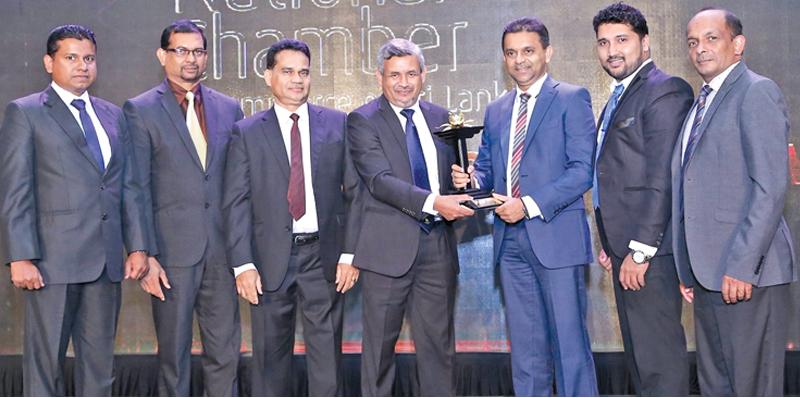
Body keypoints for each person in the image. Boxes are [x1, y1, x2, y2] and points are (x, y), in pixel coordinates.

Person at [0, 24, 150, 396]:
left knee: (100, 368)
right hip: (51, 262)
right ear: (49, 62)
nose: (82, 66)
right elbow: (16, 190)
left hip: (105, 263)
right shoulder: (27, 112)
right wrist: (20, 256)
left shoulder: (114, 115)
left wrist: (137, 246)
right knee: (45, 364)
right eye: (71, 58)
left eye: (88, 58)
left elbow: (126, 187)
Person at [453, 17, 598, 396]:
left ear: (547, 53)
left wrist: (529, 205)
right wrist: (470, 181)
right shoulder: (497, 109)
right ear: (504, 59)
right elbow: (486, 169)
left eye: (528, 51)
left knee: (569, 347)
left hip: (556, 241)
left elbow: (582, 170)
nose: (520, 60)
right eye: (512, 53)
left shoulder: (571, 97)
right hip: (510, 242)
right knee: (527, 351)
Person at [223, 38, 361, 396]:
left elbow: (356, 194)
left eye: (304, 72)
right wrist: (242, 264)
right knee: (270, 361)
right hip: (269, 262)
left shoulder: (337, 124)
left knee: (327, 360)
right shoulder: (247, 131)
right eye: (287, 71)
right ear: (269, 76)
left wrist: (349, 254)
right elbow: (235, 201)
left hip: (325, 258)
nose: (297, 79)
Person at [671, 8, 795, 396]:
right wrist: (687, 265)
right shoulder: (701, 102)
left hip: (747, 276)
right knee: (717, 387)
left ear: (737, 44)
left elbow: (770, 188)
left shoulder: (756, 91)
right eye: (693, 42)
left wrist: (742, 266)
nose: (700, 49)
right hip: (709, 276)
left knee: (753, 387)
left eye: (712, 38)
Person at [348, 38, 474, 396]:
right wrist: (436, 202)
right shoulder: (363, 120)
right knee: (379, 355)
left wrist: (464, 180)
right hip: (386, 254)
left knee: (438, 351)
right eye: (394, 75)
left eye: (411, 74)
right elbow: (378, 181)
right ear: (380, 77)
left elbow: (452, 178)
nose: (403, 83)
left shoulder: (442, 118)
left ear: (424, 75)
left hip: (437, 249)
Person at [123, 20, 243, 396]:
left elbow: (238, 186)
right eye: (181, 50)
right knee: (174, 358)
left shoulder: (229, 108)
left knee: (225, 354)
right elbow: (135, 185)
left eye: (197, 51)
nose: (190, 59)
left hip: (222, 253)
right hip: (170, 256)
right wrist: (144, 252)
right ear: (163, 55)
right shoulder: (140, 110)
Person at [590, 3, 694, 395]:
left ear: (645, 43)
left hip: (649, 254)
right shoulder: (621, 95)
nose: (612, 50)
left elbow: (662, 179)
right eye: (603, 43)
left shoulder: (664, 89)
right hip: (625, 249)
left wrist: (639, 250)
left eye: (622, 40)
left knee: (658, 363)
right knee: (639, 359)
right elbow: (613, 176)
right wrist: (609, 242)